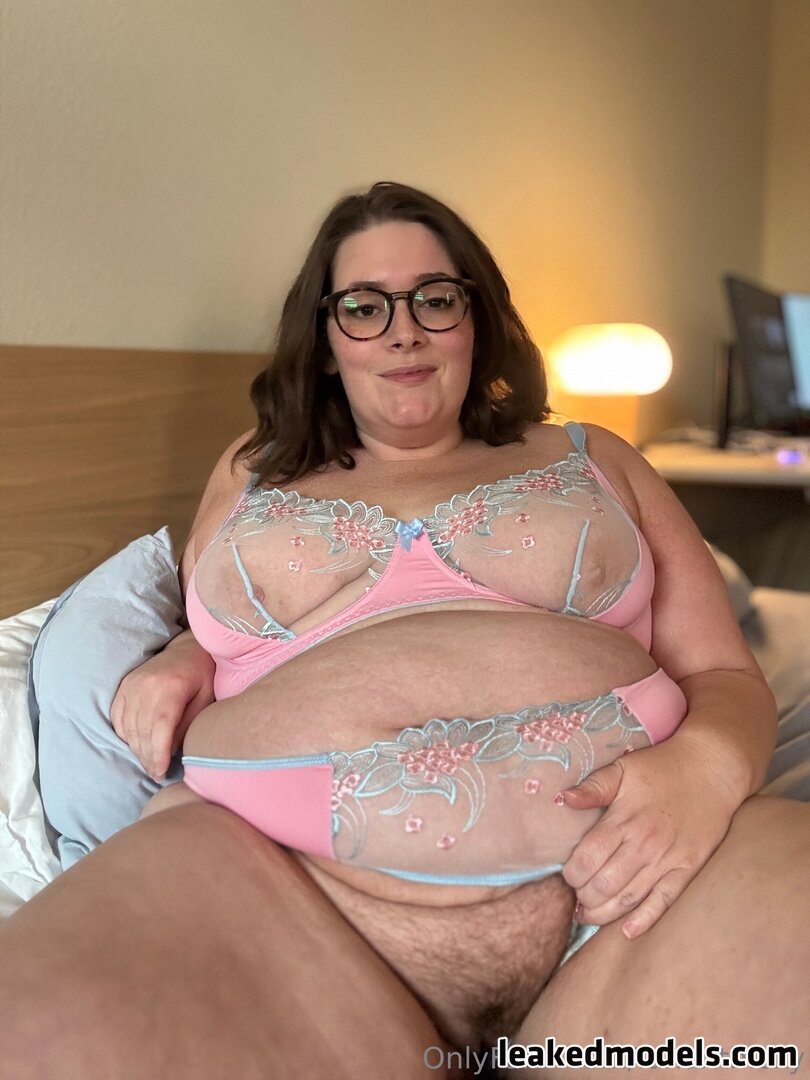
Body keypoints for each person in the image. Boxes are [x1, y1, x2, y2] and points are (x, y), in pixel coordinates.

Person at [1, 182, 807, 1080]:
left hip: (632, 897)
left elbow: (724, 676)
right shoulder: (253, 470)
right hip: (287, 906)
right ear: (326, 339)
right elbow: (220, 614)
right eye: (364, 306)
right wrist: (182, 652)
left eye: (435, 298)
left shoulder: (595, 456)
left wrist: (704, 771)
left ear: (476, 319)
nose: (403, 332)